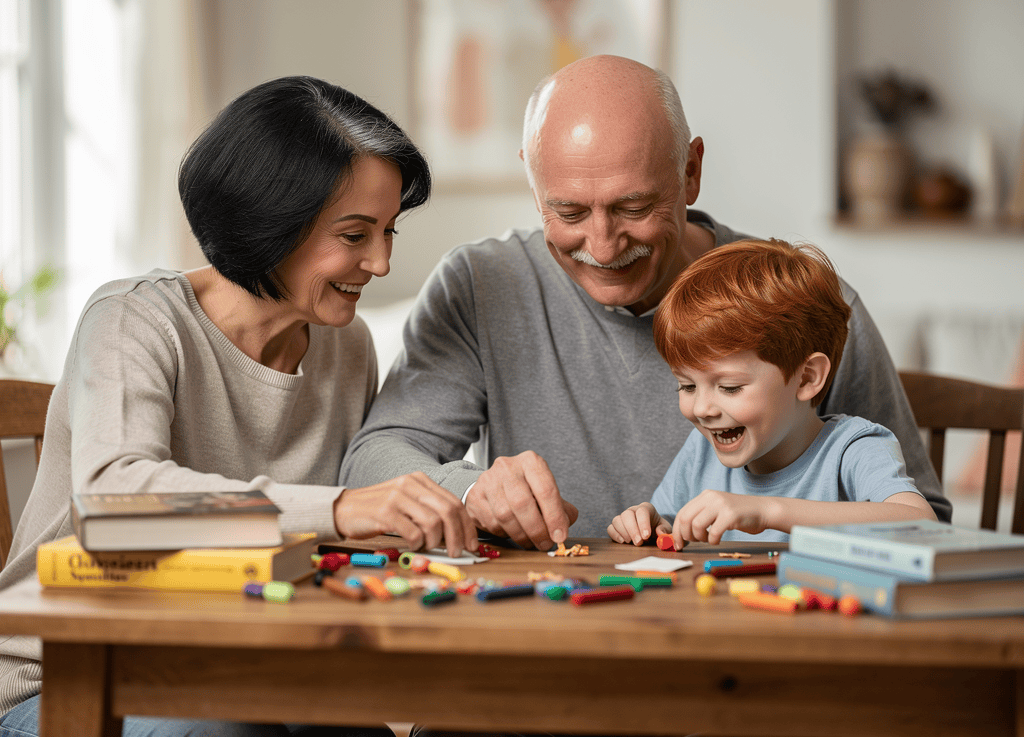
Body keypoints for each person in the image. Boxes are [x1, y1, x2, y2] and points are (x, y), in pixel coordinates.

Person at [0, 76, 476, 736]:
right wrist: (342, 507)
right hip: (70, 679)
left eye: (388, 231)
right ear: (269, 223)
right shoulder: (133, 319)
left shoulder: (347, 346)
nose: (382, 262)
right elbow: (115, 504)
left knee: (358, 725)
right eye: (355, 235)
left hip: (246, 668)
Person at [340, 54, 951, 550]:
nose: (603, 246)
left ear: (691, 172)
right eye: (568, 212)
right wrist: (471, 491)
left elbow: (926, 524)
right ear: (533, 181)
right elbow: (371, 461)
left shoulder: (804, 304)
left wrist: (774, 518)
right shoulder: (479, 285)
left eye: (633, 207)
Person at [608, 238, 937, 548]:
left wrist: (768, 510)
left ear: (806, 378)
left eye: (729, 387)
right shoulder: (700, 453)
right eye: (687, 386)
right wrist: (652, 525)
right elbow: (671, 526)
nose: (703, 408)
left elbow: (922, 523)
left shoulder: (854, 449)